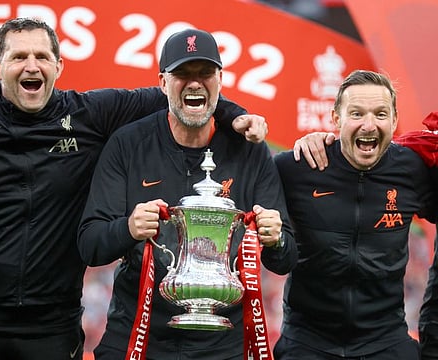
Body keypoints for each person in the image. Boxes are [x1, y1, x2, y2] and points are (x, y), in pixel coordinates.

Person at [0, 18, 268, 360]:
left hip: (51, 325)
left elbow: (181, 94)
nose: (32, 66)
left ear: (58, 66)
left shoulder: (89, 114)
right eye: (19, 57)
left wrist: (236, 115)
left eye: (42, 56)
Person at [77, 28, 297, 360]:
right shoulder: (127, 144)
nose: (195, 83)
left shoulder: (250, 151)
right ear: (163, 83)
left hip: (225, 343)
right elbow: (89, 244)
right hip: (139, 336)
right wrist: (128, 228)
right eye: (182, 73)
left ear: (220, 80)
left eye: (205, 73)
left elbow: (285, 259)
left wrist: (275, 237)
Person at [273, 69, 436, 359]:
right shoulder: (296, 166)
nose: (369, 125)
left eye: (381, 114)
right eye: (357, 114)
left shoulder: (413, 169)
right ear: (336, 119)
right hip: (308, 341)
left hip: (385, 340)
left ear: (395, 120)